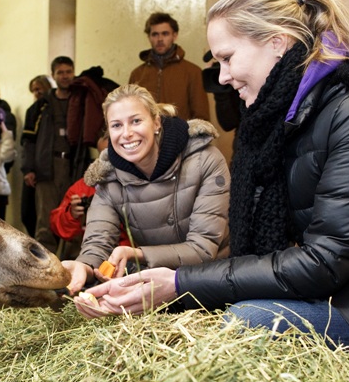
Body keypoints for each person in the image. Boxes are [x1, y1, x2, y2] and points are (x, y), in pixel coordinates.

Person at [73, 0, 349, 357]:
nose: (224, 76)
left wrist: (178, 285)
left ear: (277, 41)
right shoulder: (287, 122)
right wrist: (165, 285)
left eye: (228, 58)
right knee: (237, 313)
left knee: (251, 322)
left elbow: (325, 262)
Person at [62, 84, 230, 294]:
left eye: (136, 121)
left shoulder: (204, 159)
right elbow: (98, 239)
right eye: (116, 125)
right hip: (155, 284)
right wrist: (84, 265)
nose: (127, 134)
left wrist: (138, 254)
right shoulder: (108, 178)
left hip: (213, 281)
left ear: (156, 122)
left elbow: (203, 248)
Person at [22, 56, 76, 252]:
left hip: (74, 167)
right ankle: (45, 266)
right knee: (45, 221)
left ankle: (73, 266)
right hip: (47, 167)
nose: (65, 76)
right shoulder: (41, 106)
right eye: (60, 72)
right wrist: (28, 168)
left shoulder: (79, 102)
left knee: (73, 218)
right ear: (53, 76)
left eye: (68, 72)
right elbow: (28, 141)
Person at [49, 133, 130, 255]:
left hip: (128, 256)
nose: (108, 162)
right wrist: (72, 214)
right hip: (90, 253)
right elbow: (56, 225)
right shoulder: (83, 186)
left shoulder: (137, 183)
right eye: (103, 156)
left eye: (112, 155)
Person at [128, 12, 210, 122]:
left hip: (181, 137)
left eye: (165, 34)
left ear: (174, 36)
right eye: (155, 34)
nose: (160, 39)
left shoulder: (193, 72)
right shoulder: (137, 74)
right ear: (149, 37)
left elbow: (202, 119)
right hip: (146, 137)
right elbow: (129, 114)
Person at [20, 75, 53, 237]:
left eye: (39, 88)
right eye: (34, 90)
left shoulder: (58, 108)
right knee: (28, 213)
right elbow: (28, 142)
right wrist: (28, 169)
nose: (37, 92)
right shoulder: (33, 111)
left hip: (52, 169)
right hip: (36, 169)